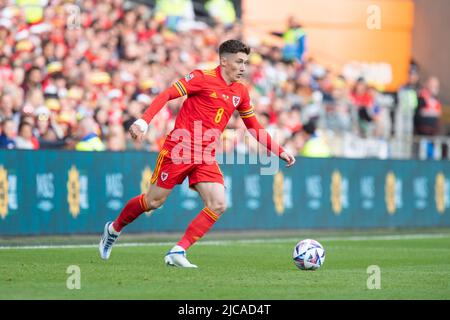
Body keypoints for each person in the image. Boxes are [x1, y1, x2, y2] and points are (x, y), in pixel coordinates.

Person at [99, 40, 296, 267]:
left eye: (246, 63)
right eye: (239, 62)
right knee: (153, 202)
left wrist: (279, 151)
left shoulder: (241, 92)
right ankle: (113, 228)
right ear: (224, 61)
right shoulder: (202, 78)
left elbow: (254, 127)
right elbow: (167, 94)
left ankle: (178, 251)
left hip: (205, 155)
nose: (243, 67)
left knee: (218, 203)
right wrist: (144, 121)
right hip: (179, 149)